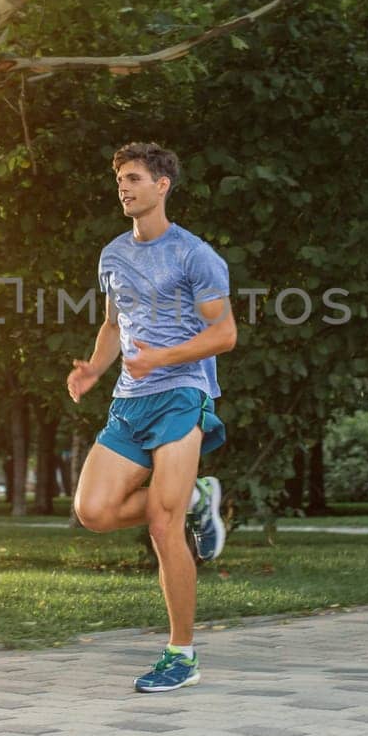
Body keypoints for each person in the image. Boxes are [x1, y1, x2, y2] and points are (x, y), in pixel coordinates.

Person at [66, 142, 235, 693]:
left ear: (163, 185)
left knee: (164, 529)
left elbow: (224, 334)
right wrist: (93, 368)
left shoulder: (195, 255)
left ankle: (181, 653)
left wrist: (162, 357)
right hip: (129, 399)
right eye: (120, 180)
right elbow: (115, 325)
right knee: (92, 511)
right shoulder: (113, 255)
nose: (124, 187)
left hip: (182, 393)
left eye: (134, 178)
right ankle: (194, 497)